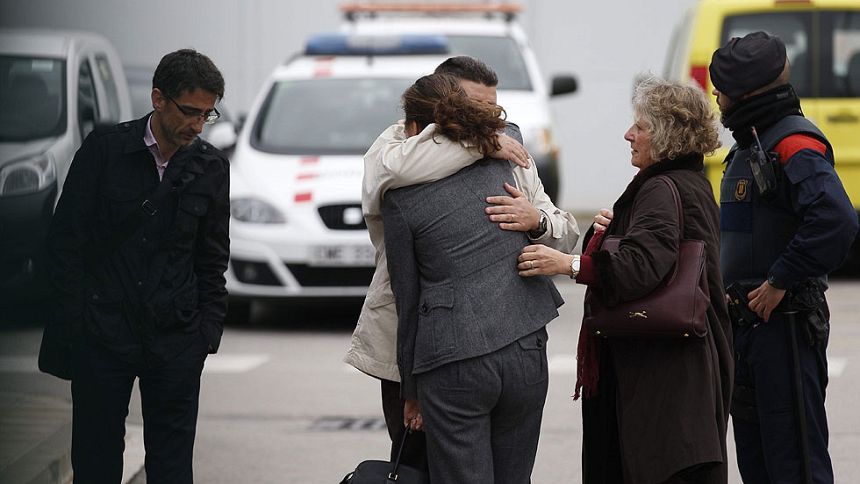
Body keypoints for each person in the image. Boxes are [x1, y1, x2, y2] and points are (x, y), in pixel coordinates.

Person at [343, 55, 579, 466]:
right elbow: (392, 171)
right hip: (411, 339)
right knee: (416, 464)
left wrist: (536, 219)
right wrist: (480, 142)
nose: (485, 117)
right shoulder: (396, 147)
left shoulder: (509, 149)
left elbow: (566, 230)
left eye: (491, 108)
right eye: (474, 106)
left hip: (504, 334)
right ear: (444, 102)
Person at [519, 77, 733, 483]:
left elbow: (639, 267)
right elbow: (664, 246)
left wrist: (567, 264)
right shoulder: (691, 182)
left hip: (662, 379)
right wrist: (617, 231)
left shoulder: (660, 188)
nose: (628, 134)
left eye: (641, 127)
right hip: (684, 369)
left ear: (667, 135)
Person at [47, 49, 230, 483]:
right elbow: (65, 242)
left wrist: (206, 333)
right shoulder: (105, 151)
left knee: (171, 465)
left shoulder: (210, 167)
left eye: (208, 115)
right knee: (95, 459)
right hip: (103, 334)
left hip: (176, 337)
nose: (198, 124)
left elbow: (212, 258)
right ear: (158, 99)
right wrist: (79, 323)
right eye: (190, 112)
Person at [709, 32, 858, 483]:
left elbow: (837, 220)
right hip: (748, 334)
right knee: (758, 467)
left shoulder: (794, 144)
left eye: (722, 87)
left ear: (746, 90)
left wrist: (779, 280)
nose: (715, 96)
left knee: (796, 465)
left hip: (785, 332)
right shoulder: (747, 146)